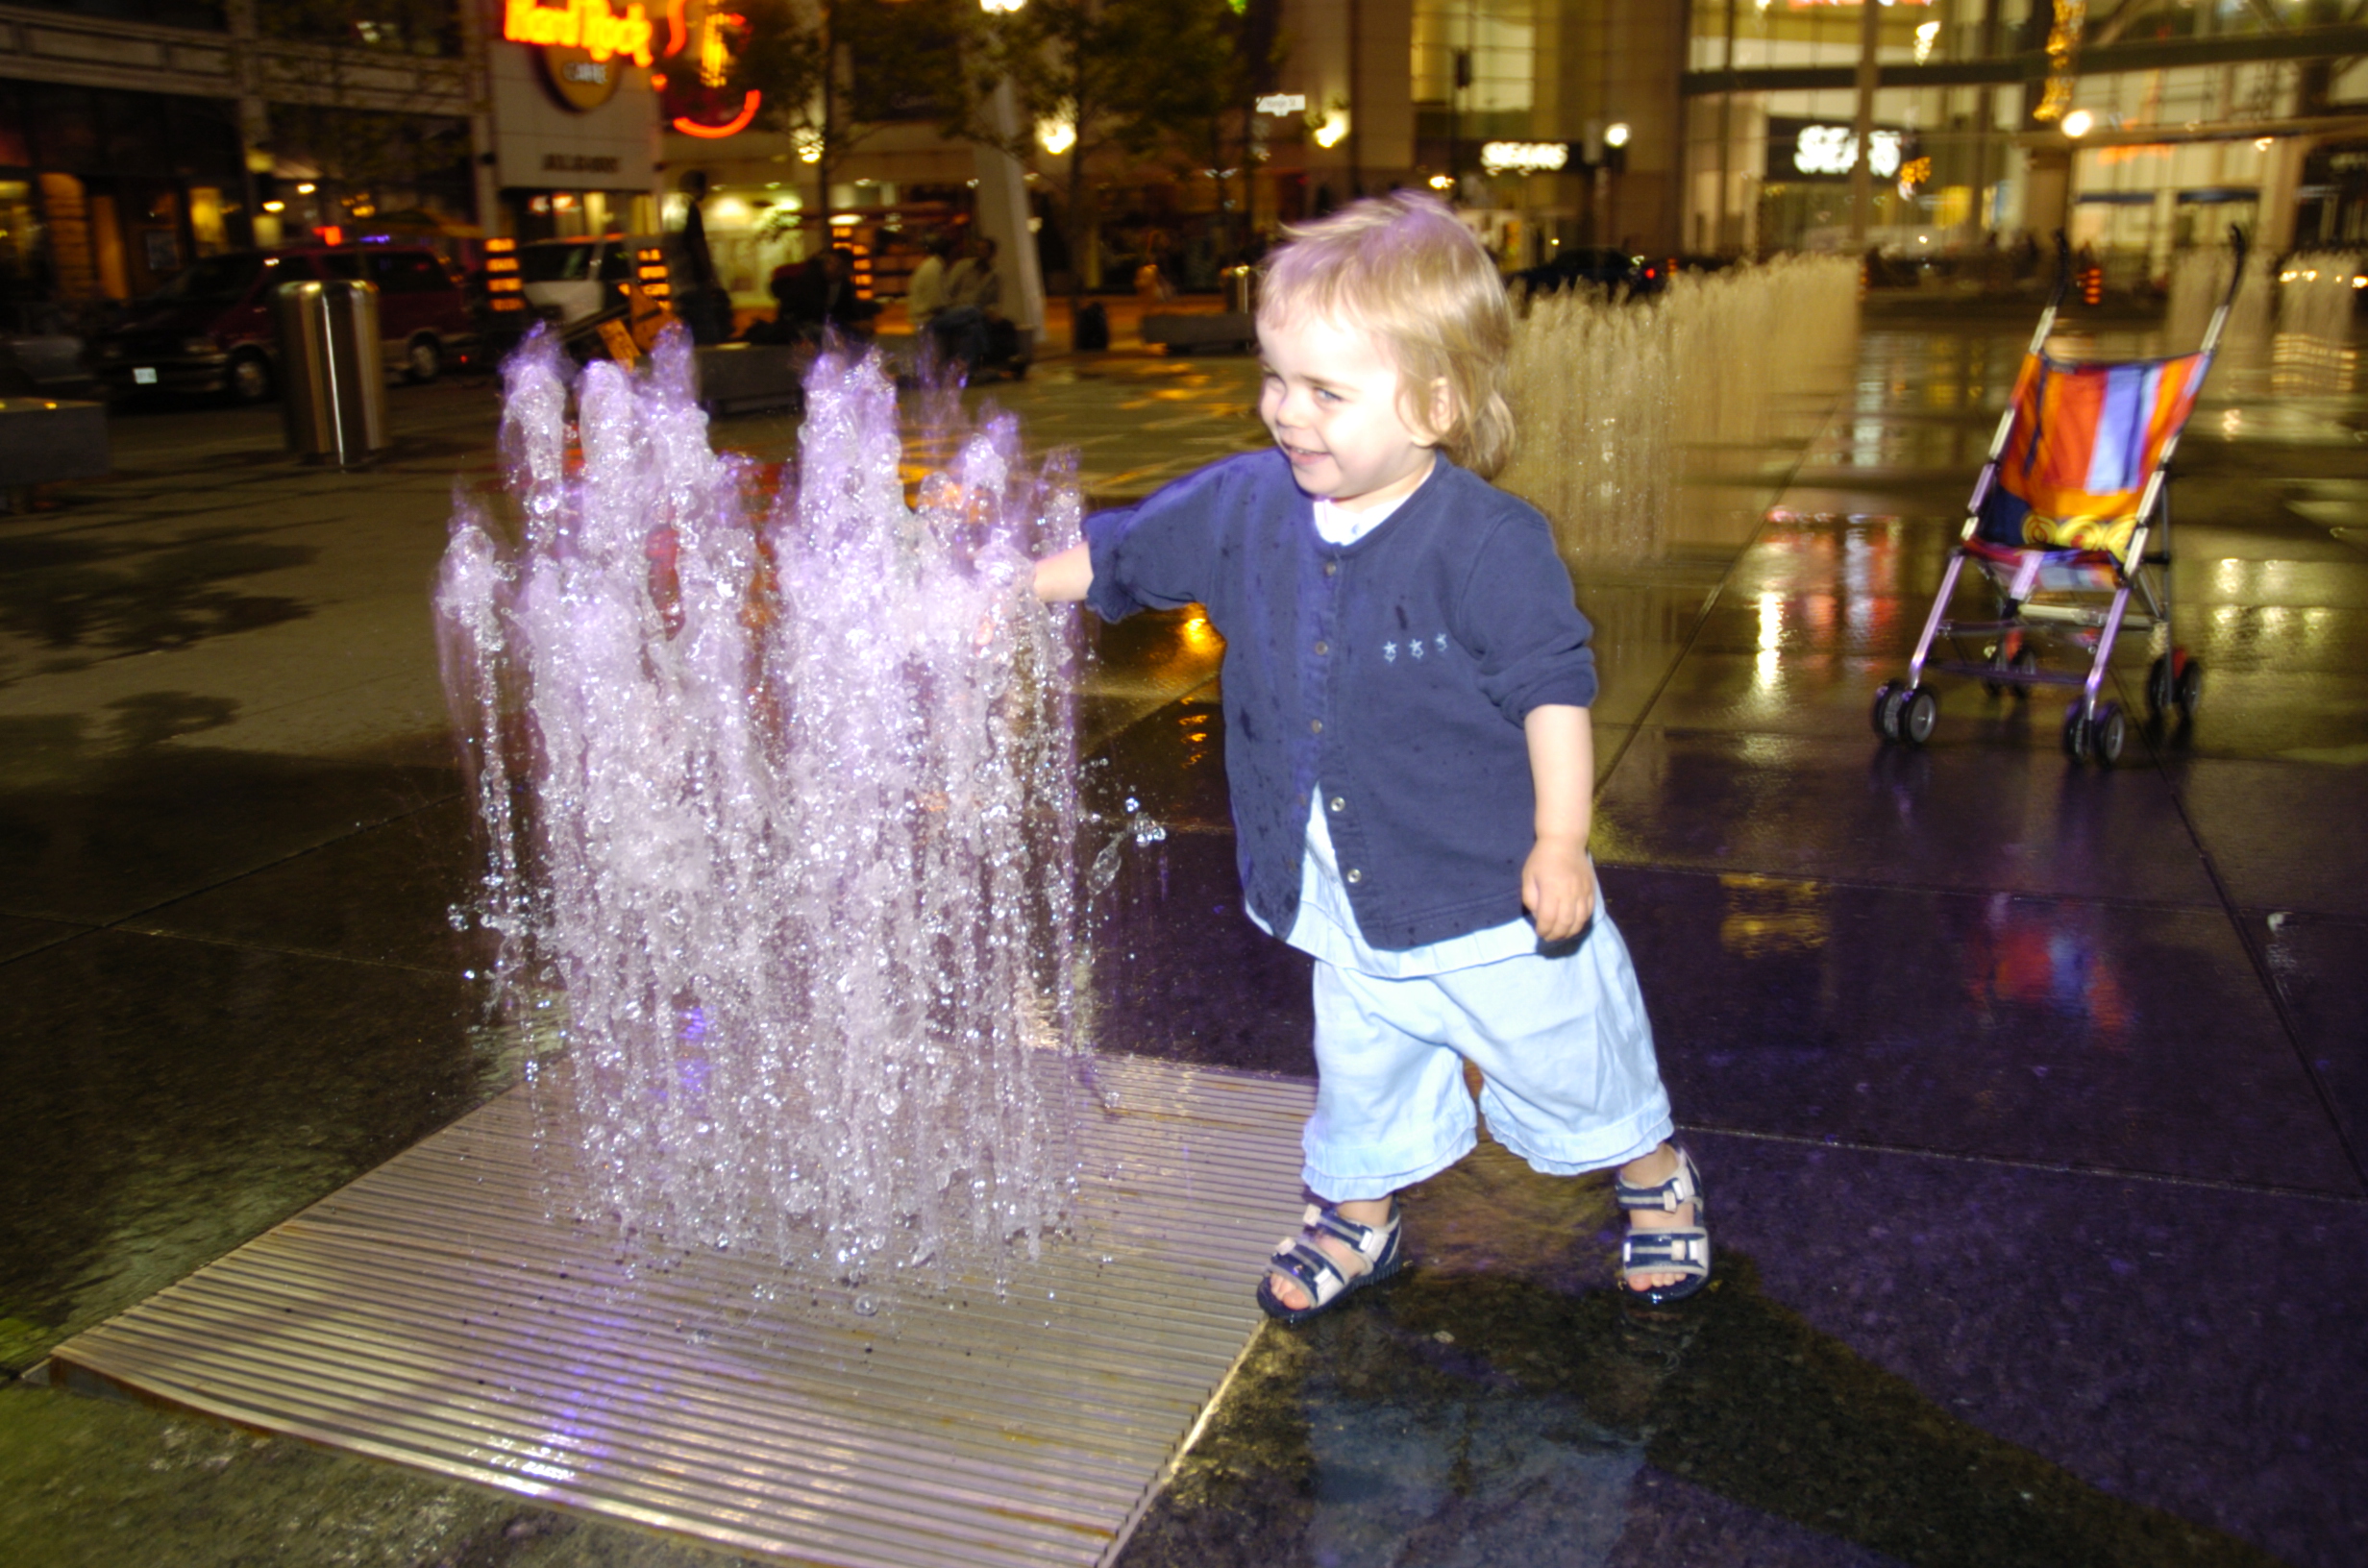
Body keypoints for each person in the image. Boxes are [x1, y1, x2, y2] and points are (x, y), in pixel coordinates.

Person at [1032, 193, 1708, 1321]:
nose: (1286, 413)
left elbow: (1552, 691)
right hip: (1343, 888)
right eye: (1274, 378)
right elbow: (1123, 558)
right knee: (1363, 1065)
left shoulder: (1487, 542)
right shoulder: (1248, 504)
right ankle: (1359, 1212)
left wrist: (1558, 840)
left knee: (1571, 1063)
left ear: (1436, 404)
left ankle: (1652, 1174)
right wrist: (1007, 589)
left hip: (1484, 896)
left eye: (1325, 392)